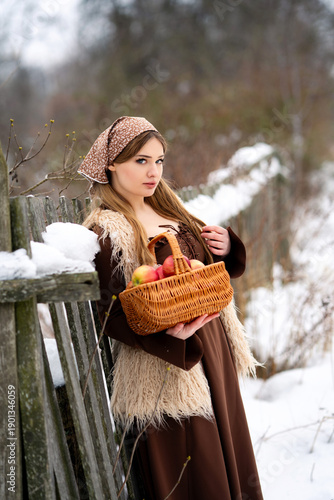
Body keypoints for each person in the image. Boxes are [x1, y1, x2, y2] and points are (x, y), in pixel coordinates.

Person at [78, 116, 263, 500]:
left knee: (230, 458)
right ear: (111, 163)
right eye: (141, 161)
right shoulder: (106, 229)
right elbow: (107, 309)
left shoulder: (172, 210)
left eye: (159, 161)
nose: (154, 171)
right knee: (198, 471)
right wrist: (171, 341)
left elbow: (201, 273)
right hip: (168, 365)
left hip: (214, 347)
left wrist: (226, 248)